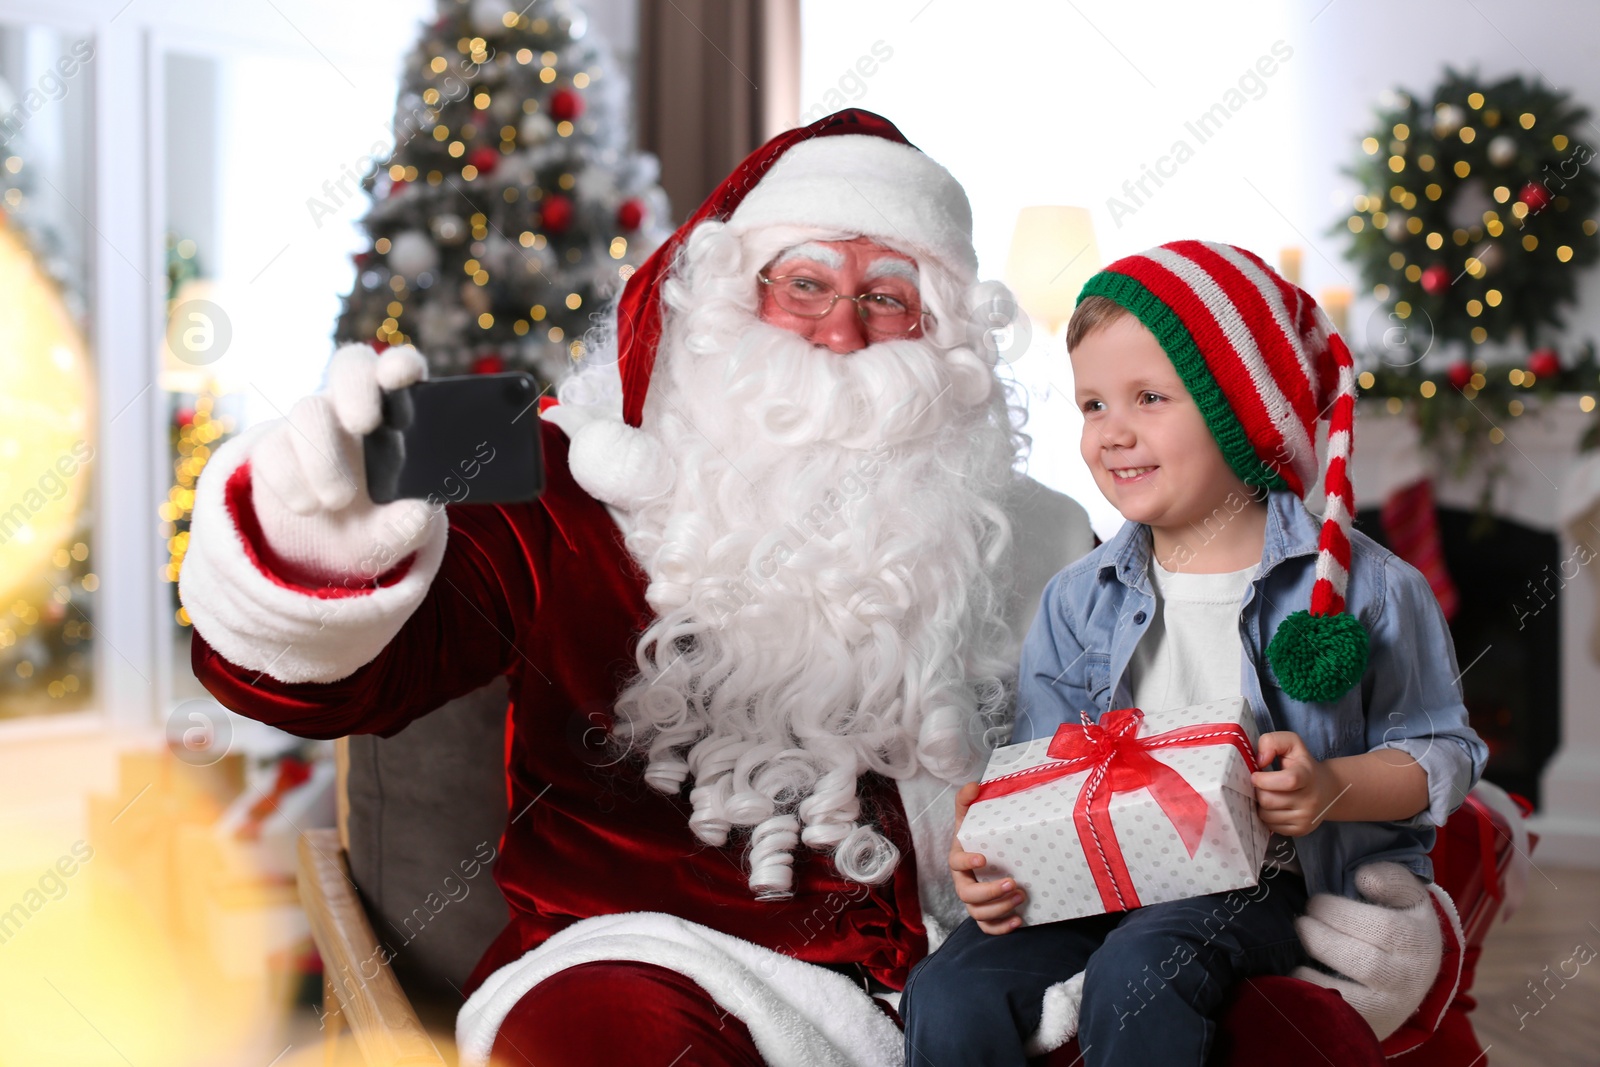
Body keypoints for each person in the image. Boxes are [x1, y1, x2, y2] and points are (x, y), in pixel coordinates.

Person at [178, 108, 1458, 1065]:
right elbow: (332, 676)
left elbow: (1270, 745)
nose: (843, 331)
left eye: (887, 297)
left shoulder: (1047, 536)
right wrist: (310, 528)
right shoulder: (571, 481)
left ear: (948, 341)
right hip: (669, 959)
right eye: (806, 285)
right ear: (727, 300)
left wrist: (1390, 922)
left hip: (1001, 963)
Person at [900, 240, 1489, 1066]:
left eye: (1148, 397)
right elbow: (1041, 766)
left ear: (1242, 410)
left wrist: (1327, 788)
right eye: (1093, 405)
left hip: (1265, 878)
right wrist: (995, 849)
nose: (1113, 433)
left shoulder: (1368, 587)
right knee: (948, 987)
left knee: (1143, 969)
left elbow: (1443, 752)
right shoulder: (1078, 597)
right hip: (1102, 868)